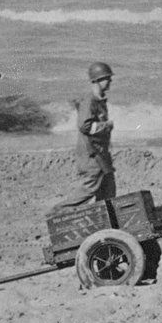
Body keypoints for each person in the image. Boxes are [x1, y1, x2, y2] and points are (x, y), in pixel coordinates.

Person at [51, 62, 116, 212]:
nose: (110, 81)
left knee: (108, 187)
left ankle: (105, 217)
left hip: (100, 153)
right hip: (91, 154)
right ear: (96, 80)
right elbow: (84, 126)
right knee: (90, 188)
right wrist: (106, 126)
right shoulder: (90, 101)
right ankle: (58, 211)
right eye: (106, 78)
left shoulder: (99, 100)